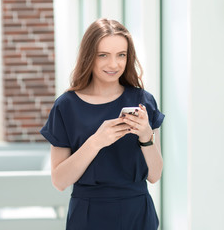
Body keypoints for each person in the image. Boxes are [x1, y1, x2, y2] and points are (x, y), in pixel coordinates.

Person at [40, 18, 165, 230]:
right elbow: (59, 181)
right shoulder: (66, 106)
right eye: (103, 55)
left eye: (121, 55)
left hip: (138, 213)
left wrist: (146, 137)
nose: (113, 64)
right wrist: (96, 142)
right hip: (88, 215)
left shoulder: (144, 101)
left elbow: (155, 175)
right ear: (89, 57)